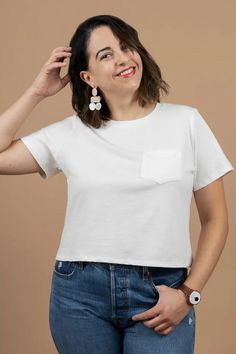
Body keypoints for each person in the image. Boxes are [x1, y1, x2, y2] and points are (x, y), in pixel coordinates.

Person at [0, 14, 234, 354]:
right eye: (105, 54)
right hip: (79, 295)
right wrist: (37, 92)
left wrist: (188, 293)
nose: (123, 58)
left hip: (159, 290)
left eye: (127, 47)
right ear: (87, 76)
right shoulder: (71, 133)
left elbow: (216, 219)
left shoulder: (186, 122)